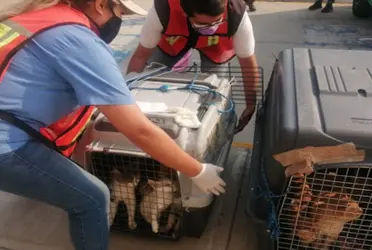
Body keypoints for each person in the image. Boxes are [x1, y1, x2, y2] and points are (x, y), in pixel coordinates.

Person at [0, 1, 226, 250]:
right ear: (99, 5)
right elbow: (139, 130)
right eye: (120, 12)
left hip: (13, 123)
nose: (120, 20)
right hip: (6, 145)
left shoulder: (37, 19)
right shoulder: (78, 39)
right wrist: (197, 170)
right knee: (93, 198)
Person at [126, 0, 260, 134]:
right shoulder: (163, 8)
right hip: (172, 41)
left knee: (214, 96)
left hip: (216, 46)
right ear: (185, 13)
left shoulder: (236, 13)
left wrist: (250, 104)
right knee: (151, 85)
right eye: (203, 24)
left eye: (217, 21)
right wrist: (126, 97)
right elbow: (140, 56)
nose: (211, 26)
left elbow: (248, 62)